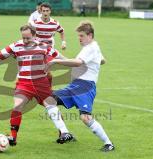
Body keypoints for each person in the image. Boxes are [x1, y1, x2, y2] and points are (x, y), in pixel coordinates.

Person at [0, 25, 75, 146]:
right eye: (23, 38)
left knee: (51, 105)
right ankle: (13, 137)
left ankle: (64, 133)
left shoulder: (44, 47)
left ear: (34, 35)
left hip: (41, 83)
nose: (25, 41)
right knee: (17, 106)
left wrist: (76, 65)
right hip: (24, 83)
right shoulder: (15, 46)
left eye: (28, 38)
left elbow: (62, 59)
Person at [45, 21, 114, 152]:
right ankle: (65, 133)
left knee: (85, 118)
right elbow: (103, 60)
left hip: (85, 87)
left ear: (90, 35)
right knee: (49, 100)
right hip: (75, 86)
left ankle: (108, 143)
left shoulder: (90, 48)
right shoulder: (93, 47)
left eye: (81, 36)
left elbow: (77, 62)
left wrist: (56, 60)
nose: (79, 38)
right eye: (78, 36)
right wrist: (96, 62)